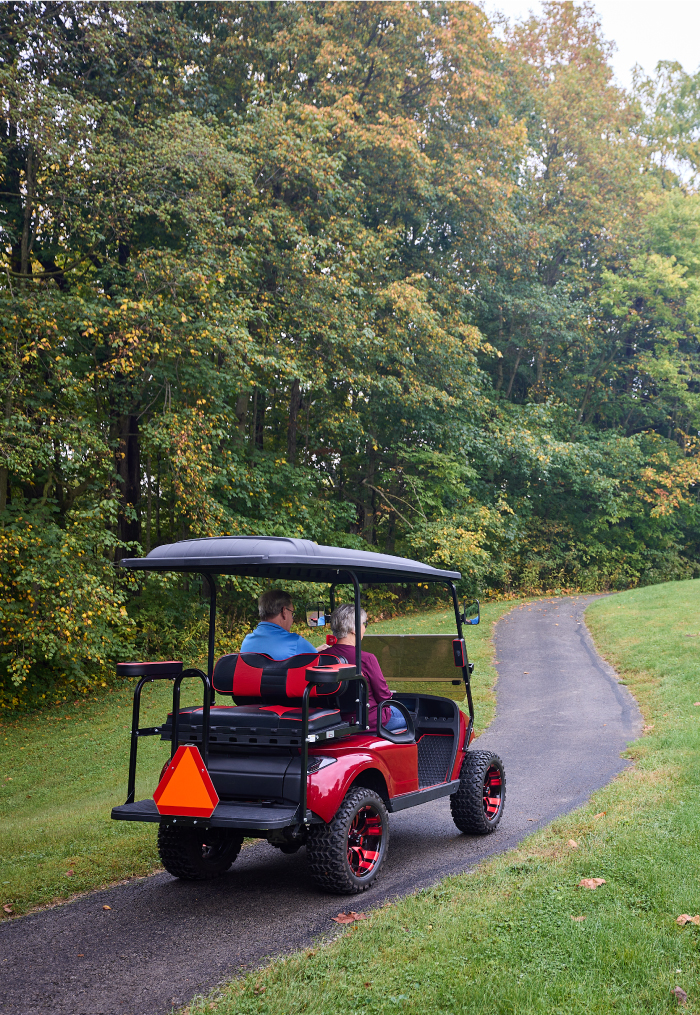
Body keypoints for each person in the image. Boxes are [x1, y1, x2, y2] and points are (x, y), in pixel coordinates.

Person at [327, 604, 407, 732]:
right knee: (414, 716)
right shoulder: (366, 659)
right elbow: (384, 696)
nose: (364, 628)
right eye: (364, 624)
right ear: (354, 629)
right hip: (369, 721)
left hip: (334, 721)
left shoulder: (320, 658)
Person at [240, 589, 318, 660]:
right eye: (292, 613)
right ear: (284, 611)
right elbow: (318, 662)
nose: (292, 619)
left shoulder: (247, 641)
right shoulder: (295, 643)